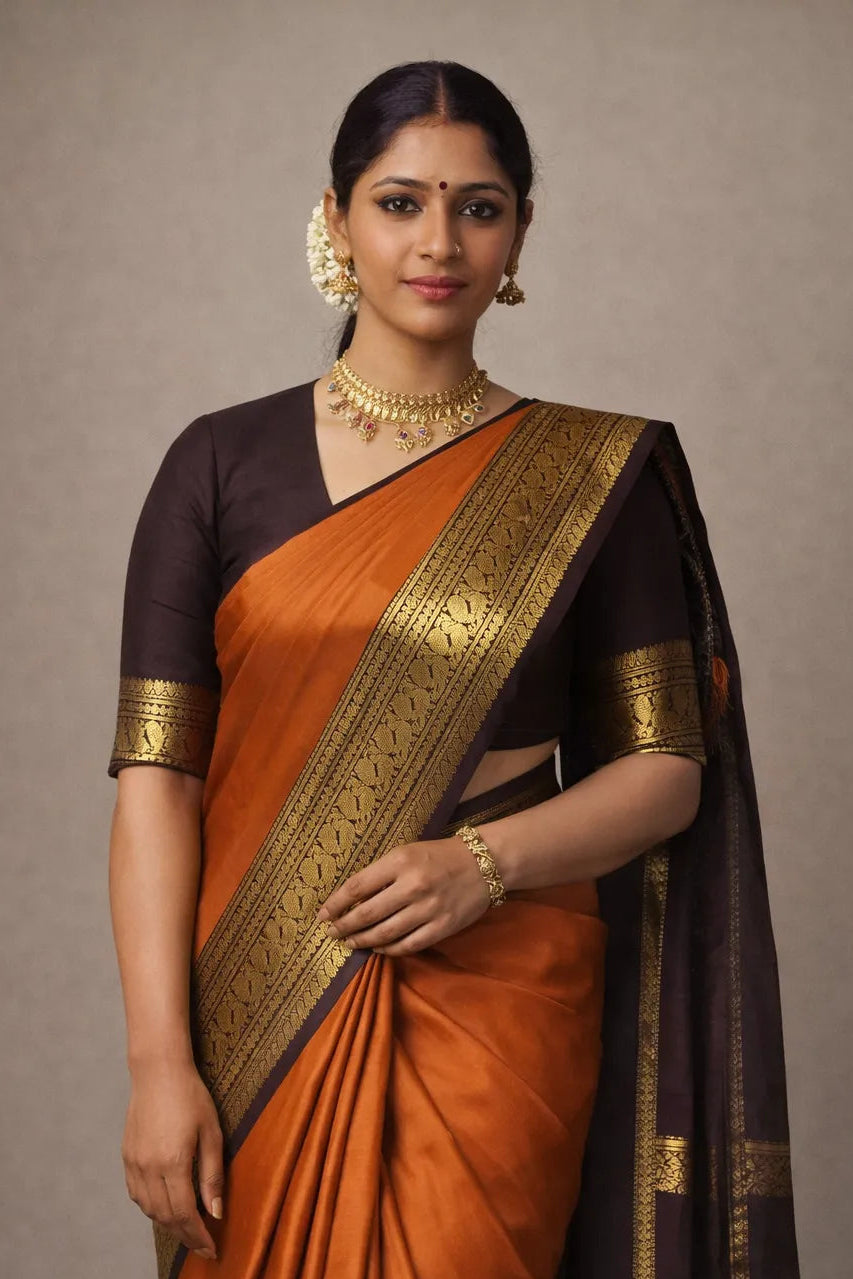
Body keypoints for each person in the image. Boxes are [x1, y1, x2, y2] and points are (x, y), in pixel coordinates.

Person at [107, 60, 800, 1279]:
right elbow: (158, 785)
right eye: (399, 203)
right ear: (336, 220)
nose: (438, 243)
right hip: (263, 996)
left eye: (478, 207)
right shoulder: (217, 466)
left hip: (499, 993)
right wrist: (160, 1064)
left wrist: (483, 864)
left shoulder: (589, 478)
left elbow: (667, 772)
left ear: (519, 231)